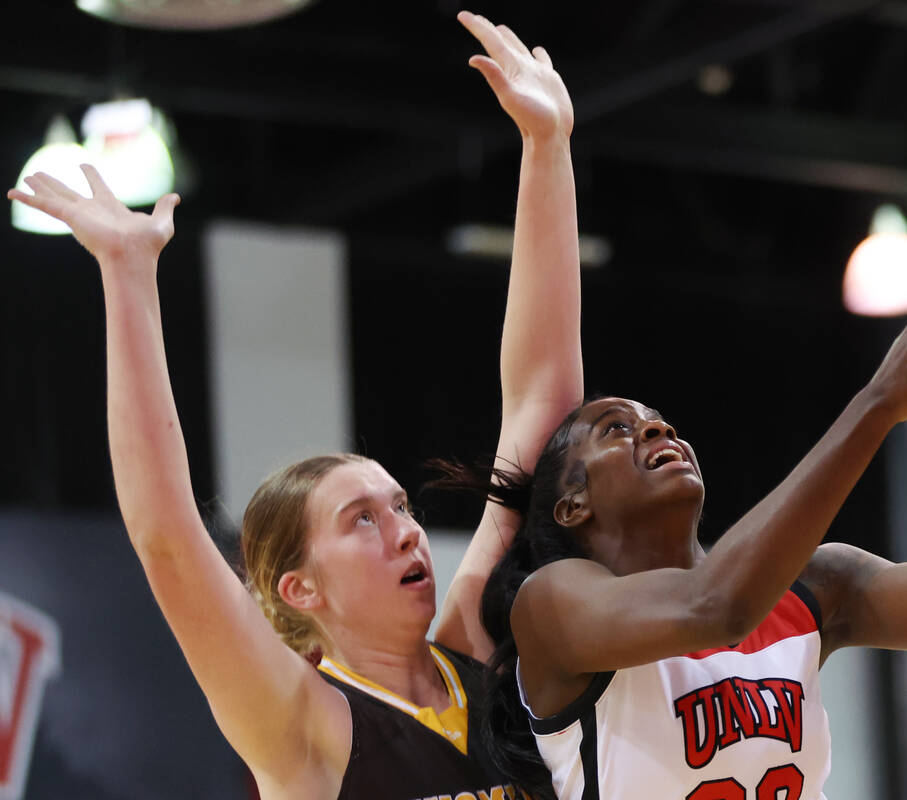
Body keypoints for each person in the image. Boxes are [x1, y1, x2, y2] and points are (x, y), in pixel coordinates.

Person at [7, 12, 579, 800]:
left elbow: (541, 412)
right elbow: (167, 536)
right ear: (299, 589)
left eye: (399, 505)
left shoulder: (475, 652)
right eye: (362, 520)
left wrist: (547, 149)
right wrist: (128, 277)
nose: (406, 530)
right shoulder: (301, 720)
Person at [471, 236, 907, 800]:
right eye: (617, 429)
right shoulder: (553, 606)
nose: (658, 432)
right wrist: (878, 403)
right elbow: (715, 606)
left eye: (661, 422)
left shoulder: (814, 589)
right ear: (572, 505)